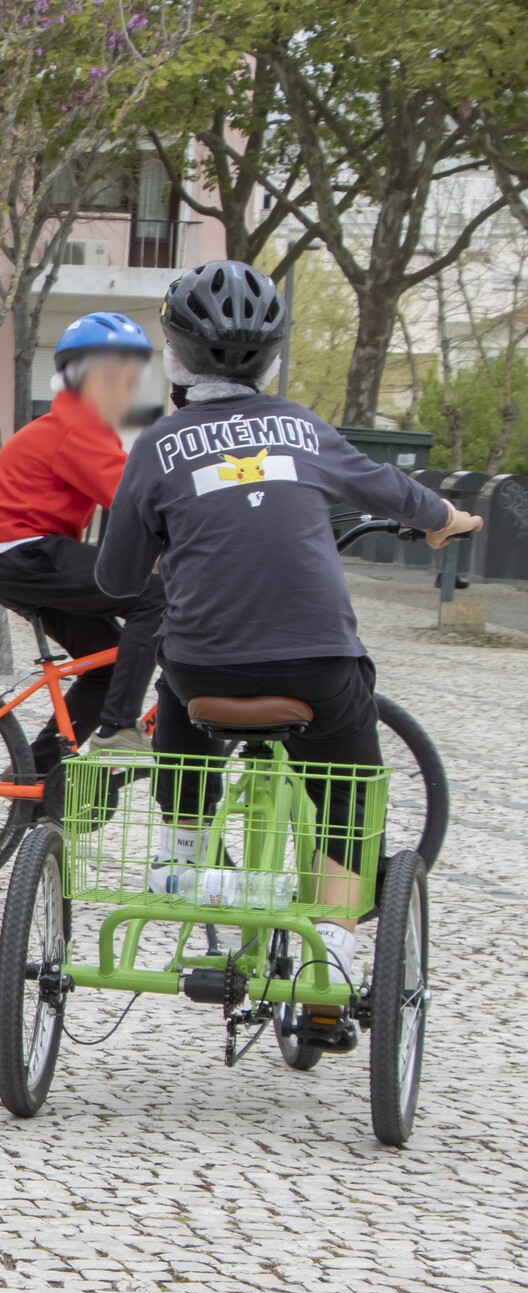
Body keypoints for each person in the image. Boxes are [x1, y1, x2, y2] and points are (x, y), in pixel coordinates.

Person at [96, 260, 479, 993]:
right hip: (317, 664)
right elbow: (390, 486)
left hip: (206, 672)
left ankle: (181, 848)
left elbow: (115, 580)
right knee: (347, 785)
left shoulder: (157, 445)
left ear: (173, 356)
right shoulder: (300, 428)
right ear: (271, 357)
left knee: (178, 681)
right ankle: (332, 958)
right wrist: (446, 520)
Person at [0, 311, 166, 782]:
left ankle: (34, 779)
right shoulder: (79, 426)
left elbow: (136, 501)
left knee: (107, 662)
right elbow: (137, 502)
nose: (128, 386)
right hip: (20, 551)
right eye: (115, 374)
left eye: (135, 375)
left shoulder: (80, 426)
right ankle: (117, 728)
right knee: (156, 598)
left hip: (14, 556)